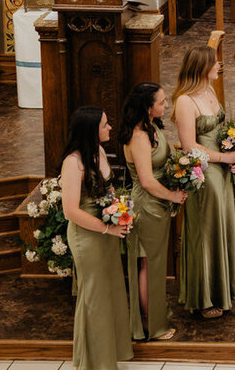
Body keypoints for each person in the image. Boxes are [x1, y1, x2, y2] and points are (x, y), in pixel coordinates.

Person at [61, 106, 133, 370]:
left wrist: (122, 212)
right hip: (87, 237)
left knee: (110, 292)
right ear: (91, 130)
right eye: (105, 124)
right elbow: (70, 211)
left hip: (106, 232)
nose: (110, 127)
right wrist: (107, 229)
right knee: (94, 296)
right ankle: (93, 363)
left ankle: (106, 357)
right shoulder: (73, 163)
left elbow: (109, 187)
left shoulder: (99, 151)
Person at [173, 46, 235, 319]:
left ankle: (222, 290)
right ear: (201, 67)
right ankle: (204, 298)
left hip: (222, 169)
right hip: (205, 174)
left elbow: (221, 131)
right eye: (214, 63)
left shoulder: (210, 90)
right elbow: (190, 146)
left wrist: (234, 156)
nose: (218, 66)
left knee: (221, 227)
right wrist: (224, 157)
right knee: (206, 232)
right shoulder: (185, 101)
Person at [119, 82, 186, 341]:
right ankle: (150, 325)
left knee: (156, 266)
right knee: (149, 265)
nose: (166, 105)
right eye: (161, 102)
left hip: (158, 204)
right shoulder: (139, 137)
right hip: (147, 206)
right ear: (148, 107)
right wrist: (172, 196)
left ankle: (155, 318)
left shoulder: (152, 127)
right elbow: (146, 181)